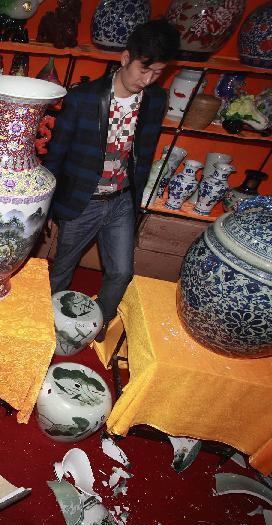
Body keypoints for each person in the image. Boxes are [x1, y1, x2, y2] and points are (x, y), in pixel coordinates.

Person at [43, 20, 180, 340]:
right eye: (143, 69)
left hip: (121, 200)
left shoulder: (155, 100)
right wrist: (47, 205)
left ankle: (97, 323)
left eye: (157, 73)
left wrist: (137, 201)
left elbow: (144, 154)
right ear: (125, 58)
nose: (147, 79)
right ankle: (43, 323)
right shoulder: (83, 99)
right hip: (82, 200)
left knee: (121, 272)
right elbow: (56, 153)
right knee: (63, 268)